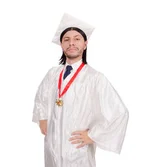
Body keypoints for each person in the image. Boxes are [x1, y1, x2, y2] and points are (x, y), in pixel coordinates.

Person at [32, 13, 130, 167]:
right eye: (67, 39)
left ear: (85, 44)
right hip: (52, 149)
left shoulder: (95, 78)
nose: (71, 43)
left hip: (78, 152)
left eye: (77, 39)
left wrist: (93, 136)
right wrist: (42, 117)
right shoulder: (52, 74)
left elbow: (119, 112)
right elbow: (41, 98)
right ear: (61, 45)